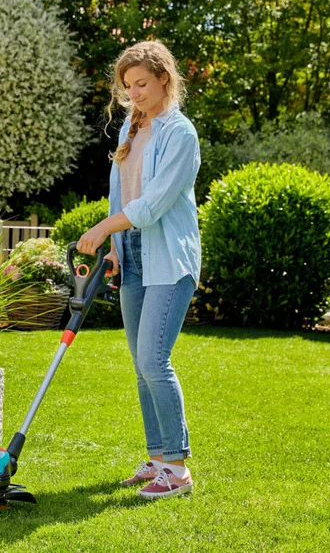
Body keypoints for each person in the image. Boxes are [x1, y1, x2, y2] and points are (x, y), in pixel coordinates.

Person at [76, 40, 200, 499]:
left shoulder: (181, 134)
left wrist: (105, 225)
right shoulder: (133, 123)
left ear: (165, 78)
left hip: (168, 255)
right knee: (141, 366)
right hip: (131, 253)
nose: (134, 94)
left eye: (142, 84)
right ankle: (157, 459)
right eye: (128, 86)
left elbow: (152, 205)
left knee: (154, 361)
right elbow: (122, 193)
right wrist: (113, 244)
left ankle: (179, 469)